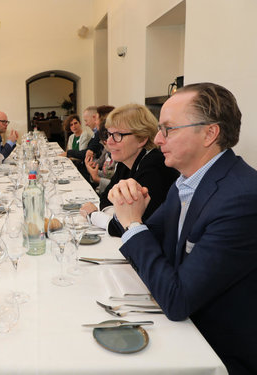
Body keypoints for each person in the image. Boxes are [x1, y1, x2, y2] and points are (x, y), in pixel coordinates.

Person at [107, 83, 257, 375]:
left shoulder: (241, 198)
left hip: (217, 350)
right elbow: (145, 239)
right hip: (183, 326)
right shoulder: (186, 181)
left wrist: (133, 222)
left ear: (209, 133)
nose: (158, 138)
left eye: (169, 129)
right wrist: (128, 207)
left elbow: (178, 300)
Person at [80, 103, 179, 236]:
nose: (109, 142)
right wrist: (116, 214)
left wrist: (93, 216)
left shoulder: (154, 166)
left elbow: (131, 226)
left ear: (142, 138)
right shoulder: (126, 161)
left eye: (118, 135)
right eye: (109, 134)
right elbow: (106, 199)